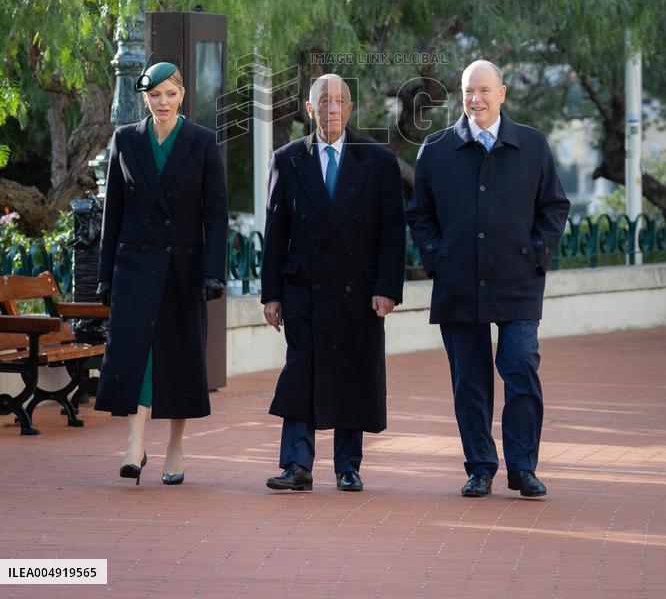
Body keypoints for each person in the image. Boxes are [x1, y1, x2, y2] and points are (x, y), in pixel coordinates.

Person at [406, 60, 570, 498]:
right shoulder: (437, 149)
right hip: (458, 283)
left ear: (503, 92)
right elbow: (419, 213)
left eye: (483, 90)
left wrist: (536, 255)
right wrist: (437, 258)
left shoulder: (532, 146)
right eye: (467, 91)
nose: (475, 99)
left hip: (518, 282)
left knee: (520, 367)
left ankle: (523, 468)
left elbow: (554, 206)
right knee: (469, 380)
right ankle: (480, 467)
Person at [261, 74, 405, 492]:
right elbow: (275, 232)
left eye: (341, 101)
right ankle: (296, 464)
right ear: (310, 109)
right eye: (324, 101)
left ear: (351, 107)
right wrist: (271, 294)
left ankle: (348, 466)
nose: (333, 109)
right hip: (303, 288)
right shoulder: (287, 159)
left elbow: (392, 231)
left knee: (352, 373)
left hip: (357, 291)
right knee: (300, 373)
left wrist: (388, 287)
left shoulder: (377, 161)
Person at [95, 60, 228, 486]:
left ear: (183, 95)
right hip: (134, 267)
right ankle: (134, 446)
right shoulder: (125, 140)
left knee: (180, 360)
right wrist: (104, 276)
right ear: (145, 98)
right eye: (155, 96)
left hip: (183, 270)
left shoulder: (204, 142)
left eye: (170, 94)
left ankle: (175, 446)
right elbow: (112, 212)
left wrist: (212, 273)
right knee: (138, 354)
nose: (162, 102)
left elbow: (217, 214)